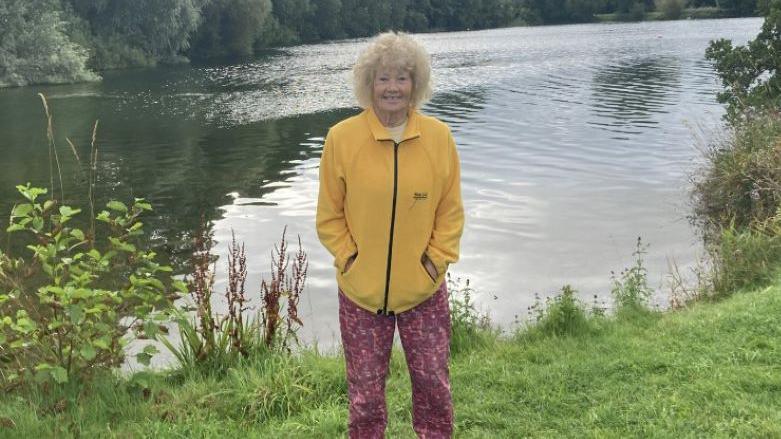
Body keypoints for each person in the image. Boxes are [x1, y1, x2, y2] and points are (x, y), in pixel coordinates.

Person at [316, 31, 465, 438]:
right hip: (360, 295)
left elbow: (450, 214)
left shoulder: (439, 138)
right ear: (369, 84)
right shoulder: (341, 139)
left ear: (416, 84)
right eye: (383, 78)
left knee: (434, 386)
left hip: (424, 292)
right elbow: (329, 216)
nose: (392, 88)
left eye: (402, 78)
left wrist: (435, 261)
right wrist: (350, 259)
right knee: (364, 396)